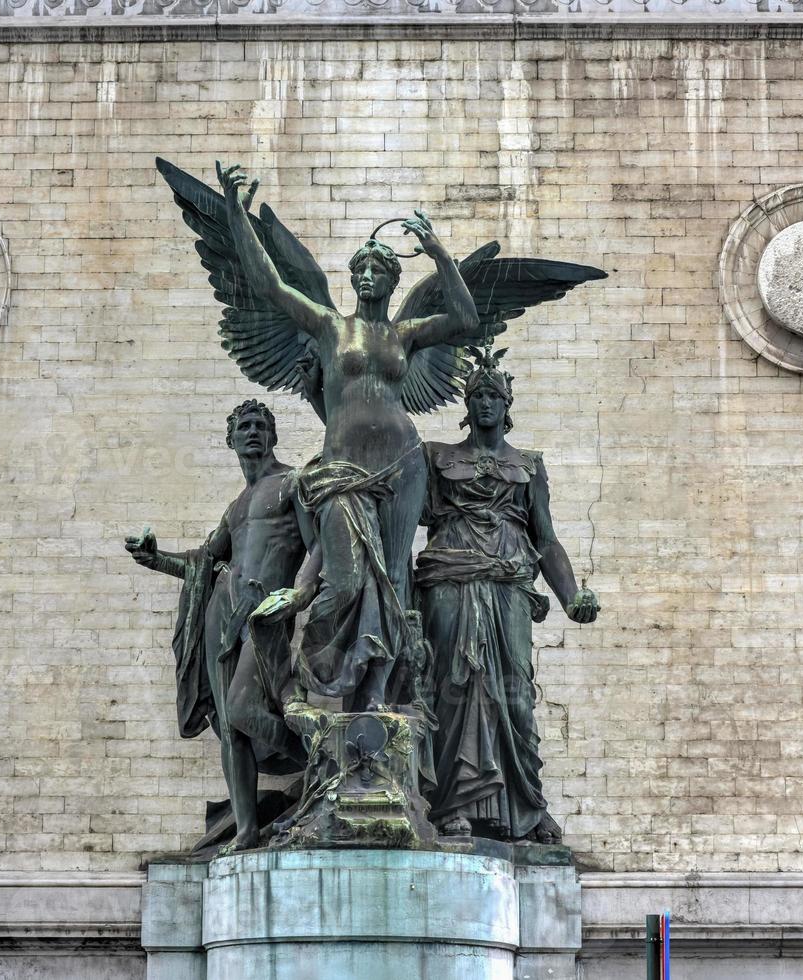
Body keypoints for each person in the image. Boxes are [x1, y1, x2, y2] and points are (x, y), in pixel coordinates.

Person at [218, 161, 483, 710]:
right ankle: (334, 692)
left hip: (401, 464)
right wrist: (235, 211)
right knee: (344, 583)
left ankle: (384, 701)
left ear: (392, 280)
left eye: (378, 269)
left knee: (393, 579)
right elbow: (268, 283)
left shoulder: (406, 333)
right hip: (341, 467)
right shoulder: (328, 325)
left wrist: (437, 252)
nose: (366, 277)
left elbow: (465, 315)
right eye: (360, 269)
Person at [415, 348, 600, 843]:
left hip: (510, 583)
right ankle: (450, 805)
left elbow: (547, 539)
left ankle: (527, 805)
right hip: (450, 577)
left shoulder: (529, 466)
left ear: (507, 403)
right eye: (477, 396)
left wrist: (571, 595)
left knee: (516, 694)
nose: (485, 404)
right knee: (453, 686)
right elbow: (395, 509)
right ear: (467, 404)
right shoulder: (436, 458)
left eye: (493, 395)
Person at [124, 400, 310, 850]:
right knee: (229, 725)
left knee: (245, 709)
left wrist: (299, 594)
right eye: (243, 426)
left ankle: (322, 762)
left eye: (260, 425)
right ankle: (247, 828)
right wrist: (156, 558)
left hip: (265, 614)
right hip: (222, 614)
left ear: (273, 436)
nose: (251, 432)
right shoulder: (236, 506)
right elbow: (205, 562)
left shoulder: (293, 483)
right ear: (230, 440)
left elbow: (318, 546)